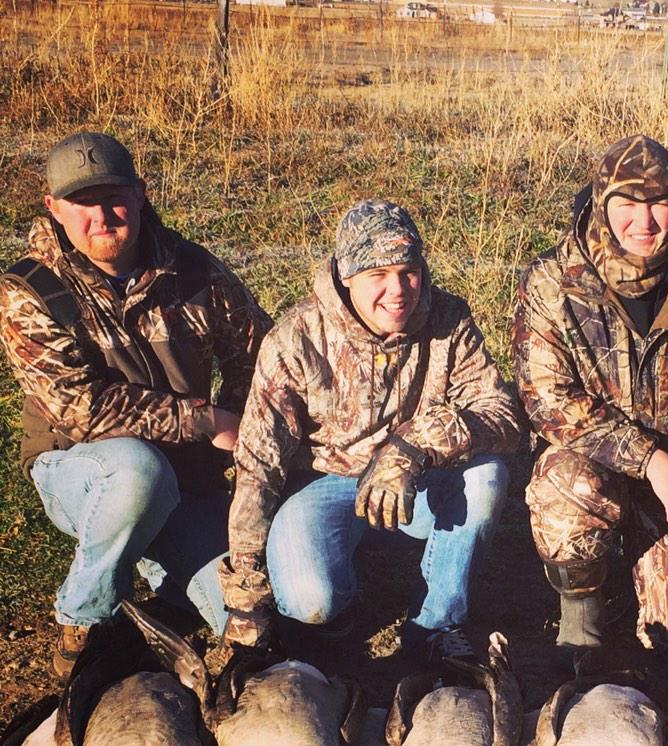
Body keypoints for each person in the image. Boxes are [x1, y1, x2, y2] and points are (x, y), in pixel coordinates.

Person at [0, 131, 270, 678]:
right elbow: (79, 407)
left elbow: (261, 354)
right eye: (82, 202)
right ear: (53, 207)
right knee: (138, 474)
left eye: (113, 197)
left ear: (141, 194)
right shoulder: (29, 289)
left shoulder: (194, 270)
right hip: (83, 470)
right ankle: (85, 617)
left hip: (186, 479)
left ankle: (160, 576)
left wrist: (247, 436)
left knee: (255, 618)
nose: (101, 216)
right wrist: (207, 420)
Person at [219, 199, 522, 665]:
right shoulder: (294, 338)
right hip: (324, 483)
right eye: (378, 275)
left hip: (419, 481)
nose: (398, 290)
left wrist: (412, 446)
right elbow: (258, 464)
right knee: (309, 603)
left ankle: (437, 625)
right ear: (346, 276)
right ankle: (342, 602)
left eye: (408, 272)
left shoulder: (448, 319)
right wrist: (245, 595)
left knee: (486, 476)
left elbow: (502, 414)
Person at [513, 135, 668, 666]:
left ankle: (643, 577)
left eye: (659, 202)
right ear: (601, 203)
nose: (644, 220)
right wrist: (649, 459)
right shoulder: (553, 283)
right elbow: (546, 400)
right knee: (564, 484)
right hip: (597, 470)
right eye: (627, 204)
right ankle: (582, 621)